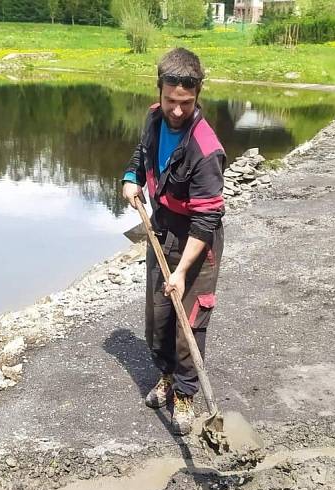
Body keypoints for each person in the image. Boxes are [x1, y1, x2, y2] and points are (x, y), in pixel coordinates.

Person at [123, 47, 225, 436]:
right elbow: (141, 153)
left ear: (197, 94)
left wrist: (182, 271)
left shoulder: (206, 148)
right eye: (171, 101)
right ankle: (165, 375)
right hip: (161, 226)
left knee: (190, 318)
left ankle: (185, 392)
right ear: (160, 91)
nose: (177, 111)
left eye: (186, 102)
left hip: (197, 238)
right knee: (159, 313)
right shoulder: (153, 117)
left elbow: (206, 219)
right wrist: (130, 177)